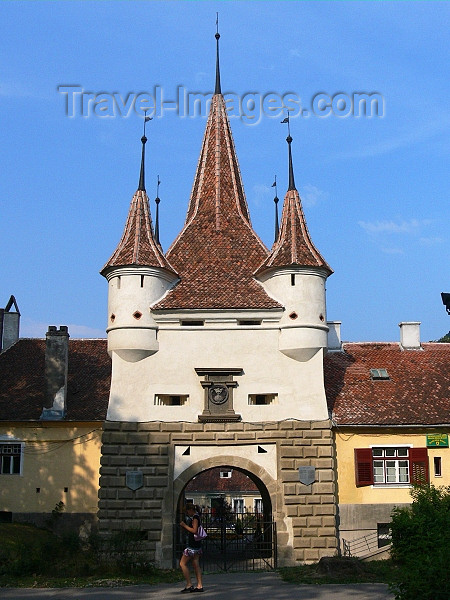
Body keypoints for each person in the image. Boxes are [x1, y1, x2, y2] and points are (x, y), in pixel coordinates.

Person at [179, 503, 204, 593]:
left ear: (190, 510)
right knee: (196, 565)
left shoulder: (195, 517)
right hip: (196, 545)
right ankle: (199, 585)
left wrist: (184, 525)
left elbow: (194, 530)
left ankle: (189, 584)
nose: (186, 513)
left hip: (192, 546)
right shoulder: (196, 516)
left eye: (187, 511)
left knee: (182, 563)